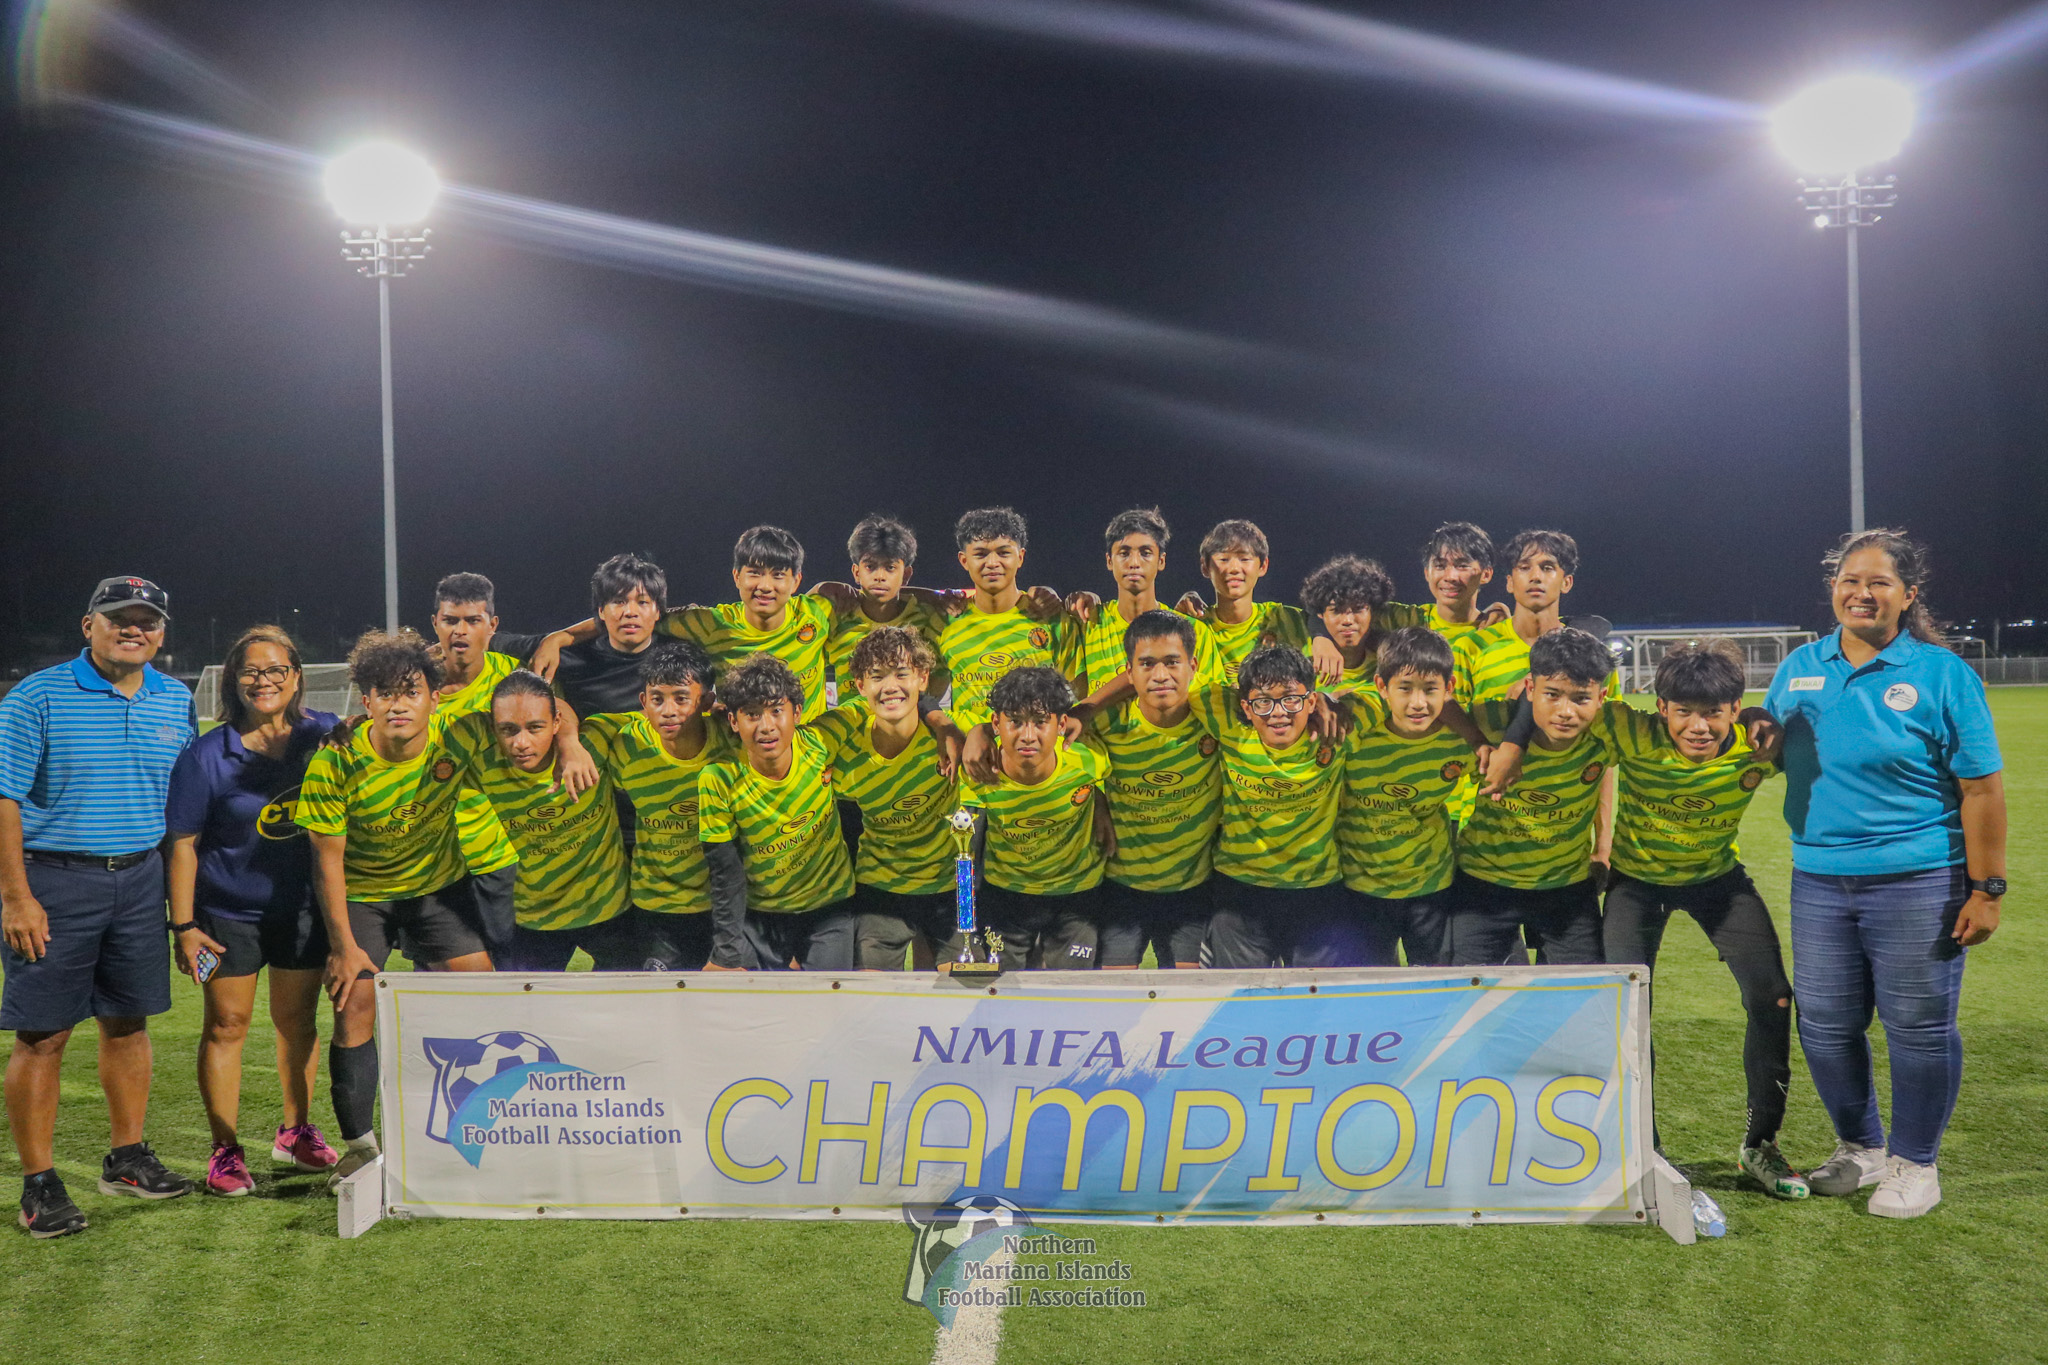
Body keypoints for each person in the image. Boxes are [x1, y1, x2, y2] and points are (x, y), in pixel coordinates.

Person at [1483, 639, 1803, 1194]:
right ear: (1661, 709)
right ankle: (1642, 1147)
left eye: (1714, 713)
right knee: (1627, 1012)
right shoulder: (1629, 731)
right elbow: (1528, 697)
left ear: (1735, 709)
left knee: (1771, 996)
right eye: (1684, 712)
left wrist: (1761, 717)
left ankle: (1761, 1146)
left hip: (1717, 881)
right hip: (1636, 884)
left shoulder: (1759, 749)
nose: (1699, 727)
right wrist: (1511, 742)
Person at [1761, 529, 2006, 1220]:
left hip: (1919, 878)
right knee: (1828, 1025)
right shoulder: (1799, 667)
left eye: (1878, 582)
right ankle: (1861, 1147)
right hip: (1818, 880)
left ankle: (1915, 1162)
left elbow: (1982, 789)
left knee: (1919, 1027)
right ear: (1832, 587)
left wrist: (1987, 889)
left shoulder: (1941, 673)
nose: (1860, 592)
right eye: (1848, 579)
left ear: (1908, 594)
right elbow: (1763, 754)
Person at [1, 576, 196, 1236]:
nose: (133, 627)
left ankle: (128, 1155)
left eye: (147, 619)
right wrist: (16, 896)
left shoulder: (176, 698)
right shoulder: (37, 696)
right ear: (90, 625)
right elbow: (3, 799)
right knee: (45, 1034)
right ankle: (39, 1183)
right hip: (55, 882)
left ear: (162, 633)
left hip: (140, 879)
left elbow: (180, 809)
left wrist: (182, 907)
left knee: (127, 1020)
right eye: (119, 617)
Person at [296, 629, 495, 1185]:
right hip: (363, 895)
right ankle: (361, 1149)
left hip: (436, 889)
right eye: (385, 693)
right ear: (366, 702)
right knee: (354, 1000)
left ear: (435, 697)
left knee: (484, 991)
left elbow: (541, 713)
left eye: (410, 692)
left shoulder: (457, 741)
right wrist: (343, 947)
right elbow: (326, 863)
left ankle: (476, 1127)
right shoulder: (335, 761)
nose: (398, 704)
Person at [165, 626, 341, 1197]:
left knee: (298, 1025)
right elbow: (184, 843)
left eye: (275, 671)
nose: (263, 681)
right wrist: (185, 925)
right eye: (250, 671)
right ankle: (225, 1150)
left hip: (302, 911)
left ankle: (295, 1131)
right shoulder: (206, 755)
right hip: (225, 915)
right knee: (226, 1026)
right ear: (233, 680)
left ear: (296, 677)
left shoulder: (325, 736)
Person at [1449, 628, 1616, 967]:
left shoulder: (1614, 730)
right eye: (1552, 694)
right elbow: (1431, 710)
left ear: (1602, 697)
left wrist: (1752, 717)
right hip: (1483, 885)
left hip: (1567, 887)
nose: (1565, 711)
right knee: (1472, 1004)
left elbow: (1679, 727)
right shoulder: (1488, 723)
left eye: (1581, 698)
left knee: (1579, 1001)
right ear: (1530, 688)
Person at [1187, 644, 1361, 968]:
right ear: (1246, 707)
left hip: (1318, 891)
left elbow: (1391, 692)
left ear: (1310, 701)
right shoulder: (1228, 725)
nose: (1278, 712)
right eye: (1263, 701)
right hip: (1239, 894)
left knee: (1317, 1007)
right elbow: (1165, 678)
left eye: (1291, 699)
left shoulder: (1338, 731)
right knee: (1239, 1006)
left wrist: (1332, 700)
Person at [438, 672, 624, 971]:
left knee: (626, 1010)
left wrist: (572, 740)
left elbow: (664, 724)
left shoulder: (595, 744)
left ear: (556, 723)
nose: (521, 742)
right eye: (508, 730)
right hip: (536, 915)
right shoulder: (484, 765)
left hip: (610, 911)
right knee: (522, 1013)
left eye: (535, 728)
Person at [811, 628, 963, 970]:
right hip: (880, 890)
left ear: (923, 678)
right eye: (877, 676)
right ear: (860, 686)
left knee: (967, 988)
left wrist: (954, 728)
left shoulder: (952, 741)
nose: (891, 686)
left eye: (902, 674)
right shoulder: (845, 751)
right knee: (872, 996)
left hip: (950, 888)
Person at [578, 642, 735, 971]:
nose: (668, 710)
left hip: (722, 905)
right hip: (656, 906)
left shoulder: (731, 742)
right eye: (657, 698)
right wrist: (567, 741)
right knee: (658, 1005)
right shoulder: (624, 744)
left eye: (681, 697)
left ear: (706, 701)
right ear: (643, 703)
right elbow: (576, 723)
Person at [1335, 628, 1481, 968]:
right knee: (1372, 993)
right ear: (1382, 687)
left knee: (1433, 992)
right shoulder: (1354, 729)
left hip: (1431, 886)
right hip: (1361, 887)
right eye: (1405, 688)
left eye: (1431, 690)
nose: (1418, 703)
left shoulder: (1460, 741)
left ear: (1449, 689)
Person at [700, 655, 858, 971]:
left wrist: (938, 721)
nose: (767, 726)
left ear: (796, 713)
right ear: (733, 721)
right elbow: (724, 874)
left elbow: (877, 702)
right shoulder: (719, 778)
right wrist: (727, 952)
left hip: (829, 908)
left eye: (776, 711)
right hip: (760, 916)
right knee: (753, 1012)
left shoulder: (820, 743)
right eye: (752, 714)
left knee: (828, 1007)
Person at [1082, 611, 1220, 970]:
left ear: (1193, 665)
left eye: (1172, 663)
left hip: (1192, 889)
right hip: (1122, 886)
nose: (1161, 676)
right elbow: (1061, 753)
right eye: (1147, 664)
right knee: (1115, 995)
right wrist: (1096, 799)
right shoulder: (1106, 723)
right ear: (1129, 673)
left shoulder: (1218, 715)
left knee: (1189, 1000)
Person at [957, 667, 1111, 971]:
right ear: (996, 724)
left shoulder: (1089, 761)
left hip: (1077, 899)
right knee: (1003, 1001)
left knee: (1069, 1000)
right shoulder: (977, 775)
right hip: (1006, 900)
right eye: (1015, 722)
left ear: (1062, 724)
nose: (1028, 736)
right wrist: (966, 931)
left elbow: (1102, 781)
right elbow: (965, 859)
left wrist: (1101, 804)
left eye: (1041, 722)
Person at [423, 573, 524, 959]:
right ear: (436, 623)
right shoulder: (413, 684)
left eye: (472, 621)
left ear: (492, 625)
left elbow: (552, 718)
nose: (460, 631)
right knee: (436, 979)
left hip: (494, 858)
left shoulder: (513, 678)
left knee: (506, 973)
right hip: (430, 861)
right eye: (450, 621)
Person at [662, 527, 840, 724]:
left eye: (778, 575)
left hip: (809, 751)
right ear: (737, 577)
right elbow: (644, 622)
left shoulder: (818, 613)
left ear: (796, 581)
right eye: (755, 573)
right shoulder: (712, 624)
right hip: (740, 751)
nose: (765, 586)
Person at [938, 508, 1084, 727]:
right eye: (980, 554)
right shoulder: (944, 623)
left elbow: (1080, 697)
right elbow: (929, 698)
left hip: (1035, 752)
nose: (992, 563)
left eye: (1004, 553)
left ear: (1020, 557)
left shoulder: (1053, 619)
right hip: (973, 755)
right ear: (964, 560)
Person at [1073, 508, 1220, 695]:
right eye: (1124, 553)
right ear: (1109, 561)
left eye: (1145, 553)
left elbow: (1215, 704)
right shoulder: (1086, 624)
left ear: (1161, 561)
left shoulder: (1194, 632)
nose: (1134, 562)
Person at [820, 516, 955, 706]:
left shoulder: (927, 618)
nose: (880, 576)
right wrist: (820, 587)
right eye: (870, 566)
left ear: (906, 574)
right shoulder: (836, 619)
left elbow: (939, 675)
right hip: (850, 732)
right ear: (856, 572)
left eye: (890, 567)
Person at [529, 554, 673, 718]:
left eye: (642, 602)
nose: (630, 612)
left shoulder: (682, 654)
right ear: (601, 611)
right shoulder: (568, 656)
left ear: (658, 611)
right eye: (619, 601)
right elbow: (496, 639)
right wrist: (554, 639)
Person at [1177, 519, 1311, 690]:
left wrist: (1324, 637)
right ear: (1205, 567)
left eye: (1244, 559)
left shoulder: (1287, 619)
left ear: (1263, 566)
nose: (1234, 568)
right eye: (1224, 559)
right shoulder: (1194, 626)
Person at [1300, 554, 1399, 692]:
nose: (1347, 621)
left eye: (1358, 609)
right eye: (1336, 611)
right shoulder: (1303, 662)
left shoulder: (1391, 665)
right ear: (1320, 615)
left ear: (1373, 613)